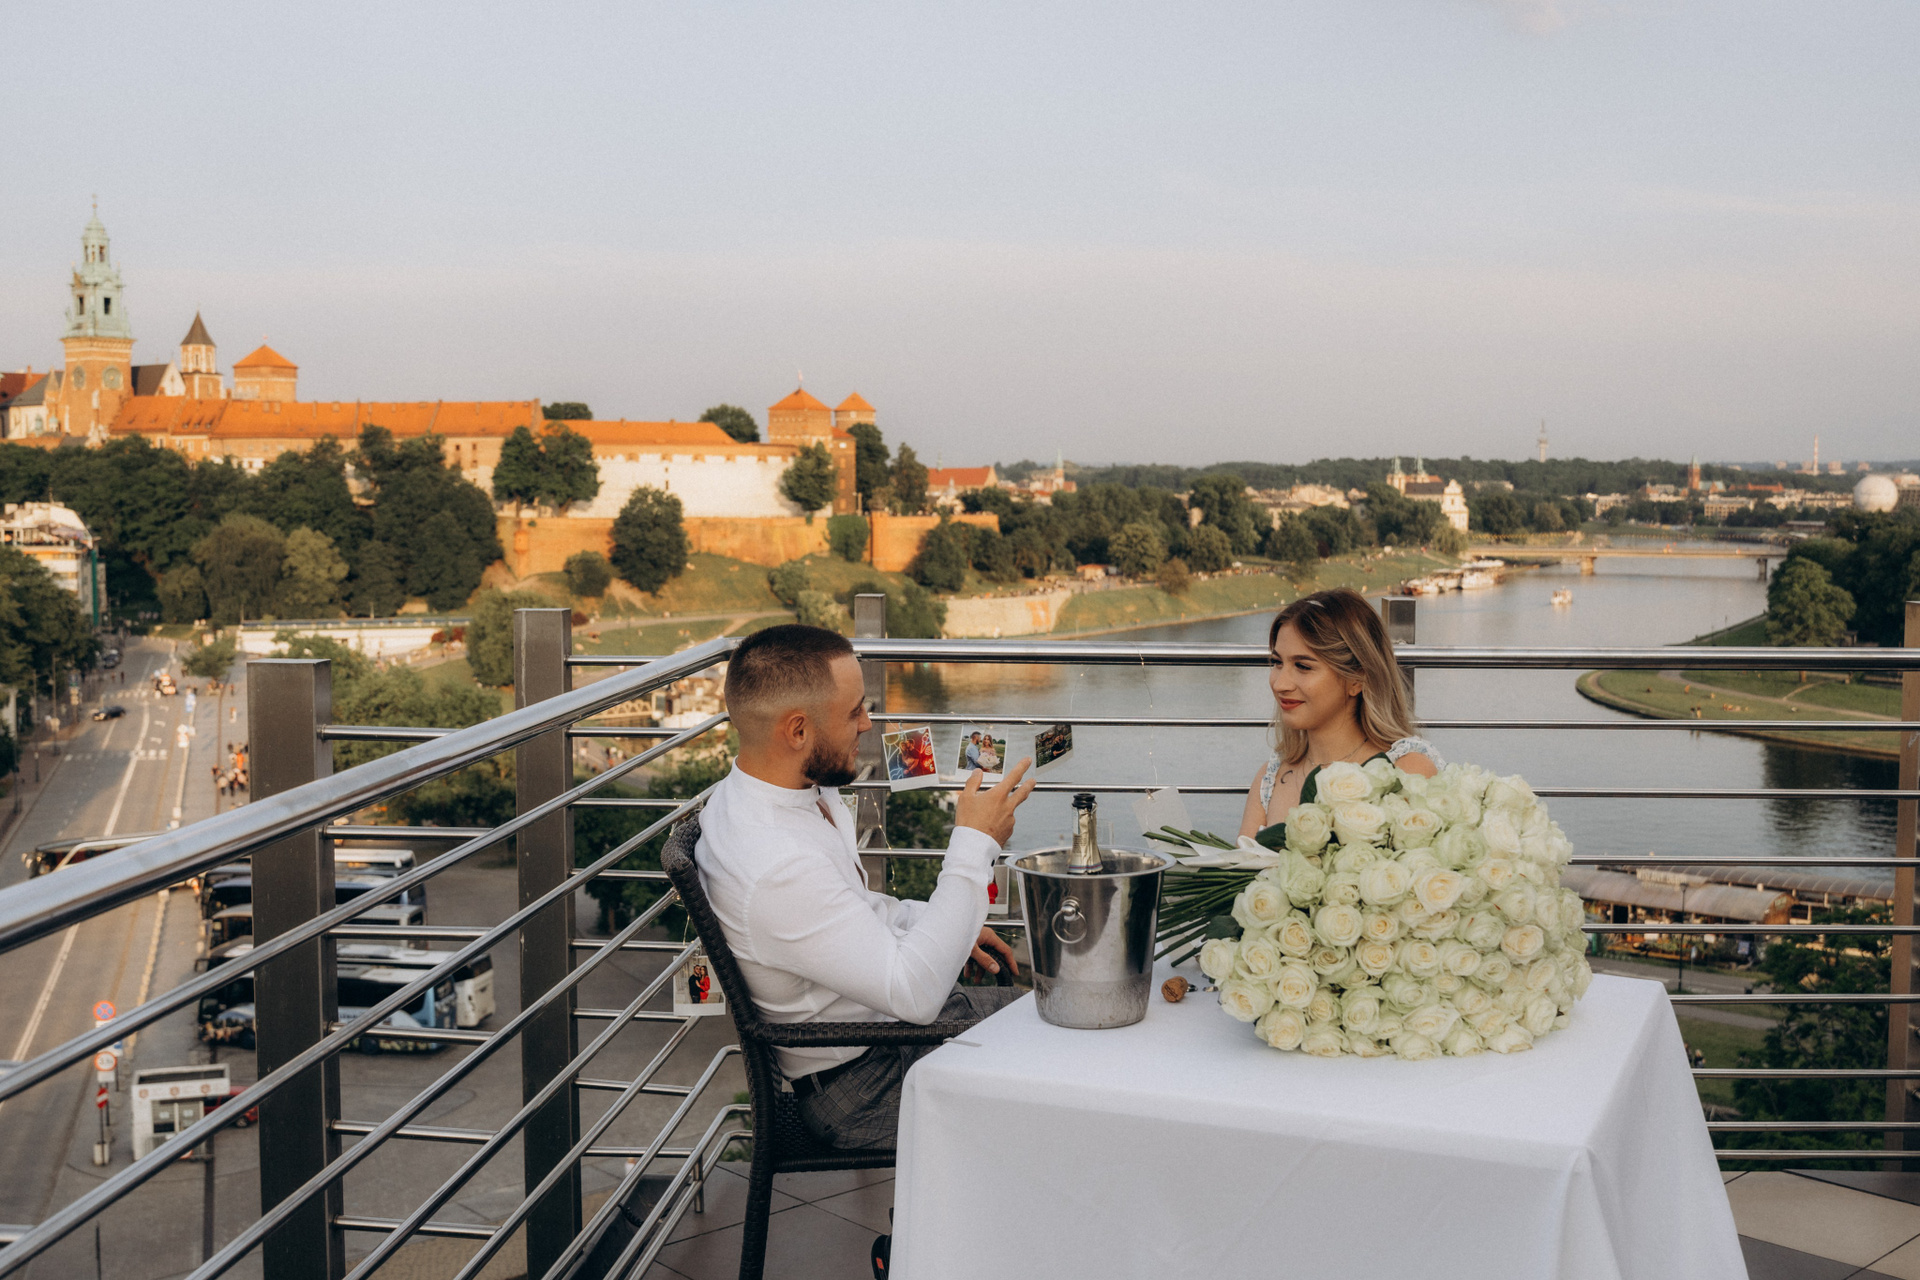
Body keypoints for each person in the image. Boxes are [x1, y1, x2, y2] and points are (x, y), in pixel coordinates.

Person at [697, 624, 1036, 1151]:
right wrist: (974, 843)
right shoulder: (775, 862)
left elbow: (852, 909)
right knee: (1063, 1075)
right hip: (863, 1084)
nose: (867, 724)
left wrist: (932, 922)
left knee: (1058, 1021)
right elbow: (915, 995)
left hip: (884, 1035)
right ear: (798, 731)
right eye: (854, 711)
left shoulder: (780, 791)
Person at [1239, 589, 1441, 839]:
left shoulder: (1408, 771)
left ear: (1357, 678)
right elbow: (1241, 862)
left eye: (1303, 666)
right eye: (1277, 662)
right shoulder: (1270, 778)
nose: (1280, 684)